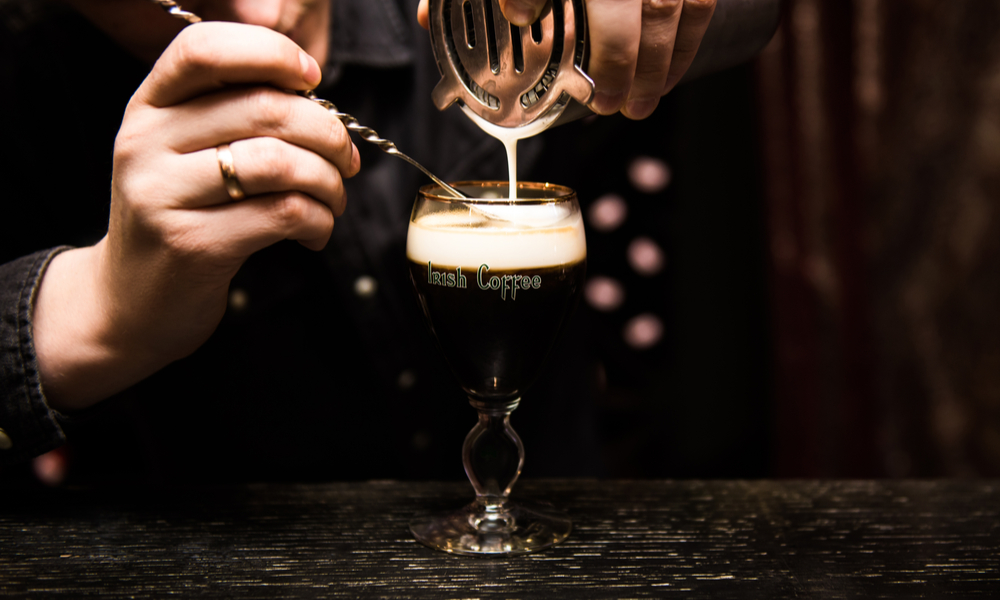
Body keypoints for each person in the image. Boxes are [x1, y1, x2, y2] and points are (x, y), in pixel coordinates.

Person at [0, 0, 716, 482]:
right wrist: (95, 310)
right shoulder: (26, 81)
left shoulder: (475, 16)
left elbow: (761, 19)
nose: (256, 12)